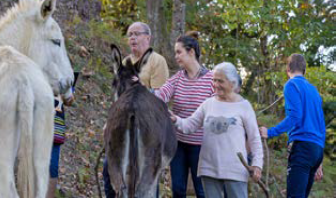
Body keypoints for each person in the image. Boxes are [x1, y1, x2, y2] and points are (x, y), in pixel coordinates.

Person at [170, 62, 263, 198]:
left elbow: (254, 138)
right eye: (214, 80)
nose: (215, 84)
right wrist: (176, 120)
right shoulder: (209, 103)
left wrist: (257, 164)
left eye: (220, 81)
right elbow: (190, 125)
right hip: (209, 168)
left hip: (235, 169)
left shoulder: (244, 106)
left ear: (232, 83)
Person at [103, 21, 169, 198]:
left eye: (136, 34)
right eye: (130, 34)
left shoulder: (157, 61)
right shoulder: (125, 62)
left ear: (148, 37)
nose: (132, 38)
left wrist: (139, 87)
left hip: (148, 127)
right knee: (108, 170)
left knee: (147, 178)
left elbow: (160, 97)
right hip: (123, 125)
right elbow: (118, 96)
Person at [154, 31, 213, 198]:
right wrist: (145, 92)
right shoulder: (178, 78)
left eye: (179, 52)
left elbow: (219, 109)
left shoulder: (211, 79)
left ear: (191, 52)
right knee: (178, 189)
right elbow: (162, 93)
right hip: (178, 143)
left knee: (202, 191)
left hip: (202, 146)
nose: (176, 56)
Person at [259, 54, 326, 198]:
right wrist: (319, 159)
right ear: (304, 70)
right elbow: (321, 124)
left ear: (288, 68)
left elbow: (295, 116)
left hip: (302, 148)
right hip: (316, 150)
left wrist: (269, 132)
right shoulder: (314, 90)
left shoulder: (291, 84)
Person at [47, 91, 75, 198]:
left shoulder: (65, 75)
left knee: (52, 165)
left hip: (55, 122)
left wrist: (66, 95)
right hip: (36, 118)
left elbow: (70, 99)